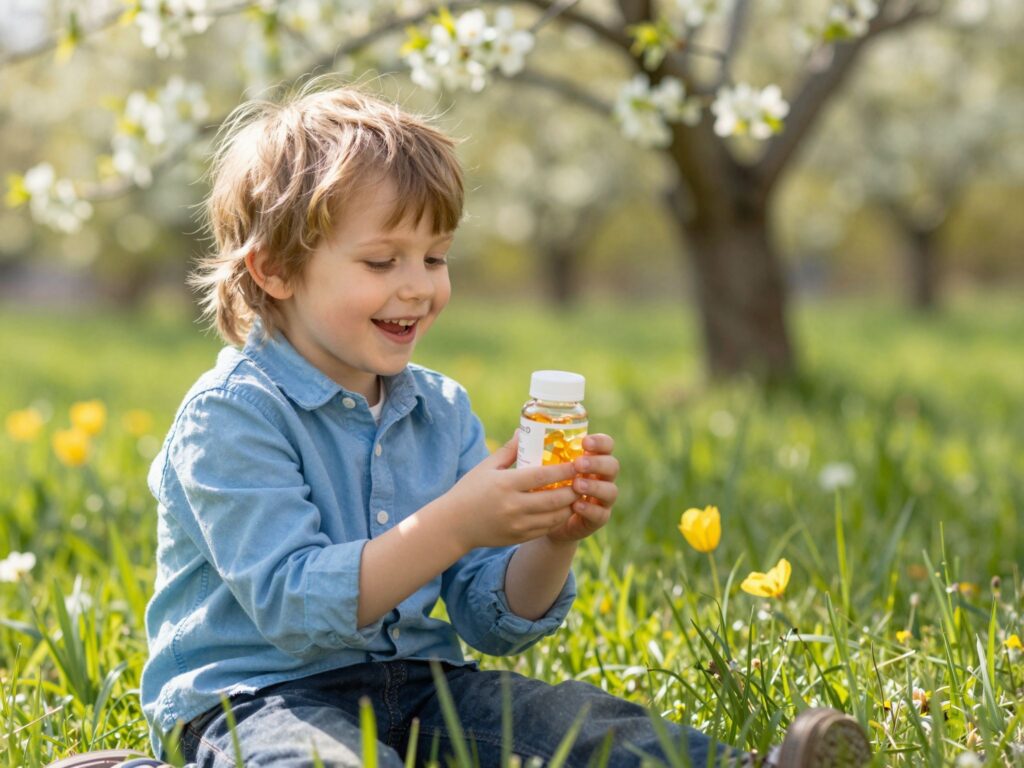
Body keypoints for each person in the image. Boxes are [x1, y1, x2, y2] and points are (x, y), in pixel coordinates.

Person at [139, 80, 872, 768]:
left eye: (435, 257)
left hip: (423, 688)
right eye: (381, 260)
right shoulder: (233, 415)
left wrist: (552, 539)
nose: (419, 286)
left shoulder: (438, 408)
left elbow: (489, 617)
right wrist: (457, 522)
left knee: (573, 724)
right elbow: (295, 607)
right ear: (275, 271)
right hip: (256, 701)